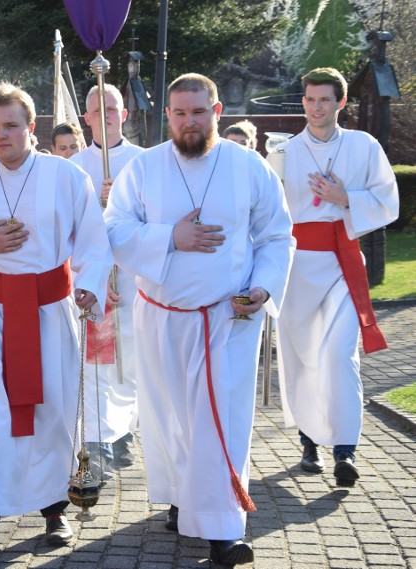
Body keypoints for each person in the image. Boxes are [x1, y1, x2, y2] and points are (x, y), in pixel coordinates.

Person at [105, 73, 294, 566]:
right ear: (167, 115)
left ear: (217, 110)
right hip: (162, 316)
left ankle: (222, 532)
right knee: (169, 417)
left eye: (199, 112)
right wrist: (171, 237)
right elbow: (116, 227)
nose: (189, 122)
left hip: (227, 318)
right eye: (180, 113)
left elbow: (276, 235)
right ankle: (179, 496)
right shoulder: (144, 168)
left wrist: (263, 287)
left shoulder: (248, 166)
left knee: (220, 422)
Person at [0, 83, 113, 559]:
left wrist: (90, 284)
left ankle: (56, 513)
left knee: (50, 415)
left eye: (10, 125)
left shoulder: (66, 177)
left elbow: (95, 242)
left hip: (49, 313)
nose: (0, 135)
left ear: (30, 128)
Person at [276, 67, 399, 487]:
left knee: (338, 356)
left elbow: (389, 200)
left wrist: (345, 197)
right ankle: (309, 439)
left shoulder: (363, 146)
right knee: (303, 359)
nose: (315, 107)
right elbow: (265, 209)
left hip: (342, 263)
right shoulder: (286, 152)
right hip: (296, 269)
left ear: (341, 103)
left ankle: (346, 449)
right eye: (309, 99)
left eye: (324, 100)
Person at [70, 83, 143, 474]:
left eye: (111, 109)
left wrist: (121, 203)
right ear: (86, 118)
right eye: (97, 111)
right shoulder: (75, 166)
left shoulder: (146, 162)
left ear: (124, 114)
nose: (105, 116)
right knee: (97, 361)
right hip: (95, 278)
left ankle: (125, 431)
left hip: (134, 277)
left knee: (131, 361)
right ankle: (100, 440)